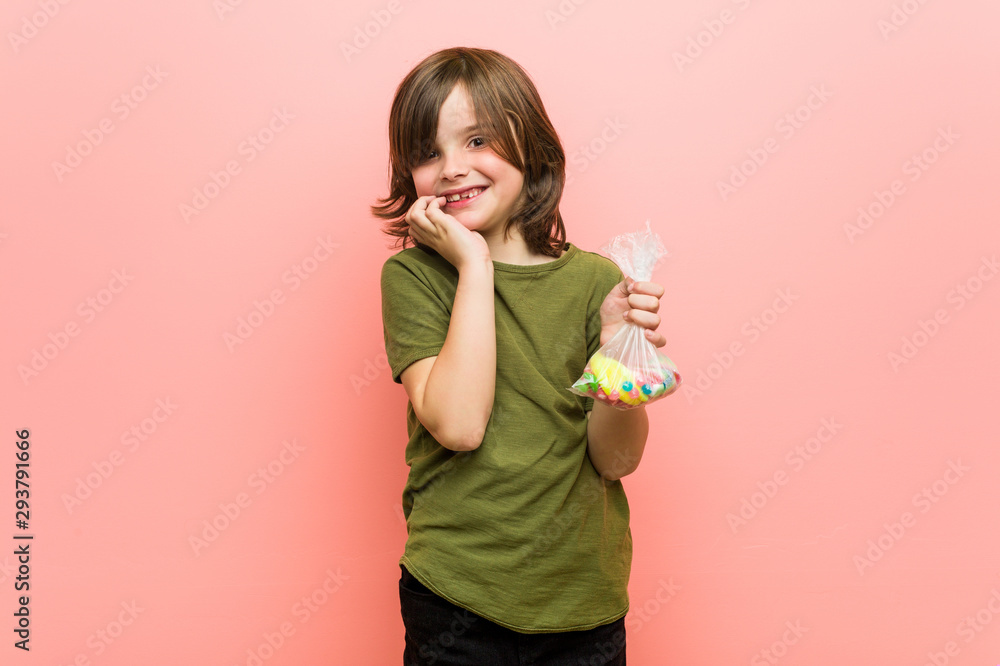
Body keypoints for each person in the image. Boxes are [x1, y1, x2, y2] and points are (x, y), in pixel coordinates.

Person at [374, 46, 668, 665]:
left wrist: (618, 355)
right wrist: (474, 263)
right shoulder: (414, 278)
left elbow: (616, 459)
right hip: (457, 597)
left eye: (476, 140)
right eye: (428, 153)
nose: (452, 167)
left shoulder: (595, 281)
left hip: (583, 598)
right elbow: (458, 426)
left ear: (530, 147)